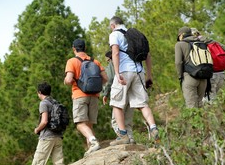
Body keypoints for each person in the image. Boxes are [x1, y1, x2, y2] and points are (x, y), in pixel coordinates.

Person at [108, 16, 159, 145]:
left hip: (124, 71)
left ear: (113, 25)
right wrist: (149, 75)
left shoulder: (115, 34)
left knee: (117, 103)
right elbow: (148, 55)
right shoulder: (136, 34)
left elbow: (115, 53)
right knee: (142, 104)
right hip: (139, 72)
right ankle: (153, 128)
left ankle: (123, 135)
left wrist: (117, 72)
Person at [64, 39, 108, 156]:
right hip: (94, 96)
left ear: (74, 48)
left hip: (80, 95)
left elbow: (69, 80)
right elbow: (105, 78)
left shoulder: (72, 61)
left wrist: (67, 81)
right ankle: (92, 151)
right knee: (89, 125)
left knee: (80, 124)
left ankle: (93, 142)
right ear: (85, 48)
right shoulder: (95, 62)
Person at [26, 82, 65, 165]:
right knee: (59, 164)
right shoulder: (55, 102)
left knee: (38, 163)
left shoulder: (44, 103)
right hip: (58, 136)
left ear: (39, 92)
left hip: (47, 137)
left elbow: (44, 121)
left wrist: (37, 129)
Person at [102, 50, 135, 144]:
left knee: (115, 120)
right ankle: (130, 138)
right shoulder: (127, 62)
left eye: (107, 60)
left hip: (119, 92)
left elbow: (109, 79)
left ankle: (122, 137)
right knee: (127, 119)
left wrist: (105, 94)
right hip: (131, 91)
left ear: (109, 59)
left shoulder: (113, 65)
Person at [191, 28, 225, 102]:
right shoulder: (212, 41)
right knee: (218, 98)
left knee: (209, 100)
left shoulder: (197, 44)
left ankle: (213, 113)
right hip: (221, 73)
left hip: (210, 74)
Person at [175, 26, 207, 108]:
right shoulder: (202, 42)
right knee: (200, 104)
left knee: (191, 107)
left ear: (181, 35)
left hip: (190, 76)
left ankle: (194, 121)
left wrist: (180, 76)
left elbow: (178, 62)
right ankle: (204, 120)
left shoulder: (180, 44)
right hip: (204, 77)